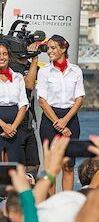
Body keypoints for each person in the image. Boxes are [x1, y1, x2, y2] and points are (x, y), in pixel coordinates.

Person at [36, 34, 85, 191]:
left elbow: (79, 99)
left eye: (53, 48)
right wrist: (60, 124)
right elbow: (42, 101)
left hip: (71, 119)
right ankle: (50, 204)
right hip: (50, 121)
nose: (49, 51)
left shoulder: (76, 71)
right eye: (48, 48)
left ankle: (67, 203)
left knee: (68, 165)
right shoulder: (44, 72)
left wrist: (65, 121)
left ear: (63, 49)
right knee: (51, 168)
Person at [9, 43, 40, 170]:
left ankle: (30, 186)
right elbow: (28, 85)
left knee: (34, 165)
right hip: (16, 123)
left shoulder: (30, 67)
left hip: (28, 123)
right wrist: (34, 59)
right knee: (19, 167)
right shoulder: (12, 68)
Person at [0, 43, 29, 163]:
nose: (2, 57)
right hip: (1, 123)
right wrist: (4, 126)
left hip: (15, 127)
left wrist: (13, 127)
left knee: (12, 165)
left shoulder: (18, 77)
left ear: (9, 56)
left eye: (4, 54)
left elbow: (23, 104)